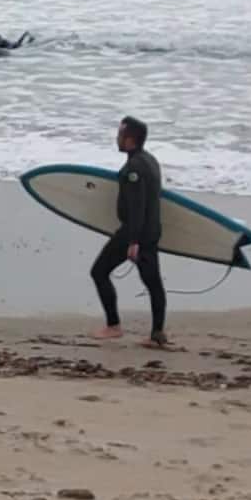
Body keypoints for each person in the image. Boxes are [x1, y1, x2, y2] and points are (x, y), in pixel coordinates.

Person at [91, 115, 166, 347]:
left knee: (99, 272)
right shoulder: (151, 161)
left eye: (121, 135)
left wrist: (133, 242)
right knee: (153, 283)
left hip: (134, 233)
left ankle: (113, 326)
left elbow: (137, 206)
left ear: (130, 139)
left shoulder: (133, 168)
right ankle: (157, 334)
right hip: (152, 230)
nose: (117, 138)